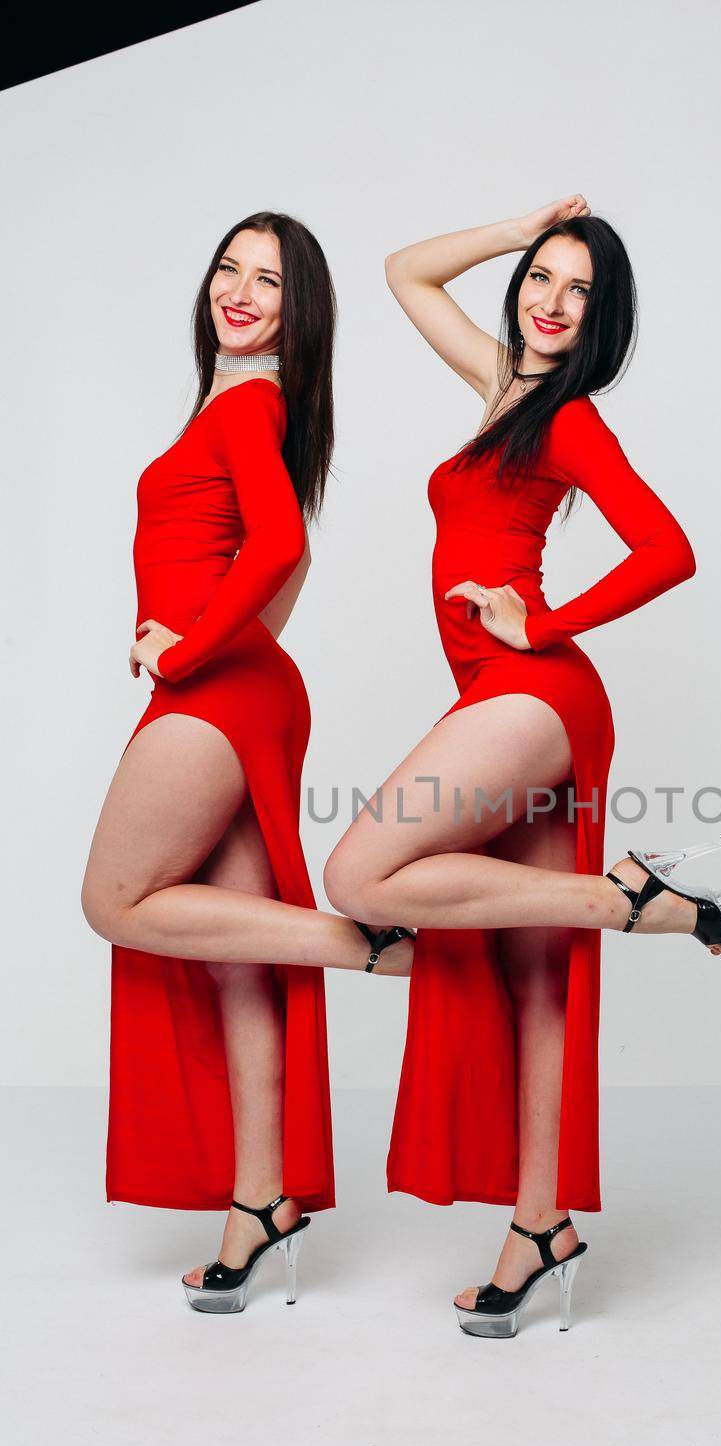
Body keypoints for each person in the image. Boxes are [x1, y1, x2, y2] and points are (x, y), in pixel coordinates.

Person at [323, 196, 721, 1338]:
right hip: (495, 695)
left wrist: (543, 617)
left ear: (601, 317)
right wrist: (521, 226)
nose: (550, 303)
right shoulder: (501, 388)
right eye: (540, 280)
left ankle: (630, 898)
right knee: (530, 975)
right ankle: (538, 1224)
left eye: (577, 291)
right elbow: (406, 272)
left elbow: (668, 549)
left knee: (358, 876)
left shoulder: (566, 419)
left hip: (535, 688)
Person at [81, 211, 414, 1315]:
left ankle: (361, 944)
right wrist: (222, 643)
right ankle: (260, 1202)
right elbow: (295, 551)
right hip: (238, 688)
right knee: (231, 960)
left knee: (115, 900)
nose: (239, 290)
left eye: (267, 280)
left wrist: (193, 643)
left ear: (296, 310)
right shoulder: (237, 406)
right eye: (229, 267)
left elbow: (274, 547)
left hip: (217, 695)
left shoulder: (250, 401)